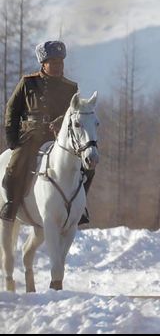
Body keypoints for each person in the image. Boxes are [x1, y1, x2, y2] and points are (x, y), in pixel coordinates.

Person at [1, 41, 94, 224]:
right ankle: (11, 204)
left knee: (88, 167)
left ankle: (80, 207)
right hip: (31, 136)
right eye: (54, 63)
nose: (59, 67)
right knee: (15, 165)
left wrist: (60, 121)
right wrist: (12, 138)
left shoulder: (71, 87)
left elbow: (73, 113)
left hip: (59, 137)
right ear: (44, 63)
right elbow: (12, 110)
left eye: (61, 63)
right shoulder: (28, 83)